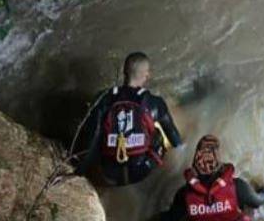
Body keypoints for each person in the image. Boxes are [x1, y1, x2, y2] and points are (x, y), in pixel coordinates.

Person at [75, 52, 183, 186]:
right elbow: (175, 138)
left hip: (109, 175)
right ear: (147, 75)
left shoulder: (103, 98)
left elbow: (92, 138)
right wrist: (181, 156)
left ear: (124, 71)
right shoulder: (155, 103)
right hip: (142, 172)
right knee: (158, 134)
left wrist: (80, 170)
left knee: (97, 129)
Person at [158, 134, 264, 221]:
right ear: (219, 164)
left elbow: (169, 220)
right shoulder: (238, 186)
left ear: (195, 166)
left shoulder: (184, 194)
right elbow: (258, 202)